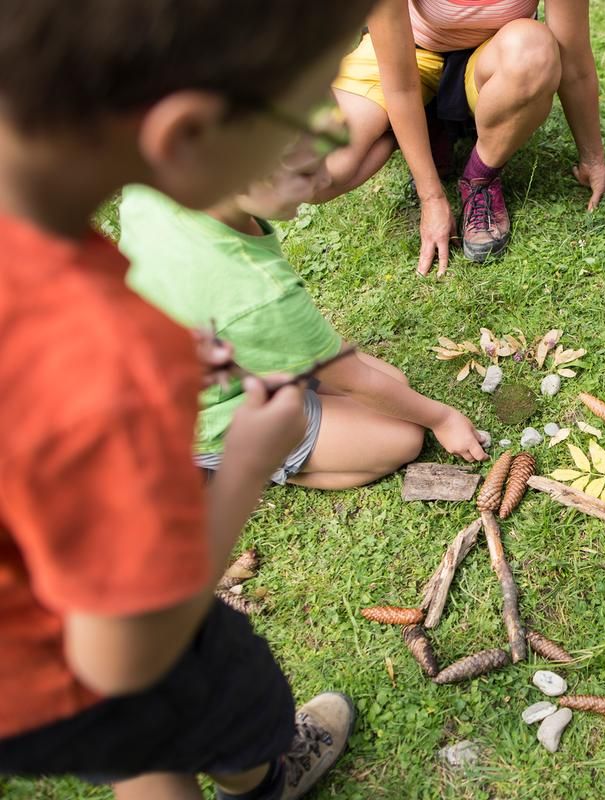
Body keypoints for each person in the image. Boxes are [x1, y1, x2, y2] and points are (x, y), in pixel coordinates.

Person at [0, 1, 377, 797]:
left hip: (24, 672)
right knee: (201, 699)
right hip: (94, 646)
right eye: (306, 106)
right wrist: (243, 462)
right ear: (188, 134)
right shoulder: (104, 369)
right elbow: (125, 656)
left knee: (137, 746)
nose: (331, 141)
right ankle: (263, 774)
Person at [121, 137, 488, 490]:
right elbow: (351, 381)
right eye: (305, 174)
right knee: (403, 437)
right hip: (206, 414)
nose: (326, 179)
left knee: (394, 383)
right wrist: (443, 418)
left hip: (187, 363)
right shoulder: (256, 290)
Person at [318, 0, 605, 271]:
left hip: (495, 58)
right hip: (409, 52)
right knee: (319, 173)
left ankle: (479, 177)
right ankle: (423, 125)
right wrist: (432, 196)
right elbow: (400, 86)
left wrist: (592, 157)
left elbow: (574, 62)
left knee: (534, 50)